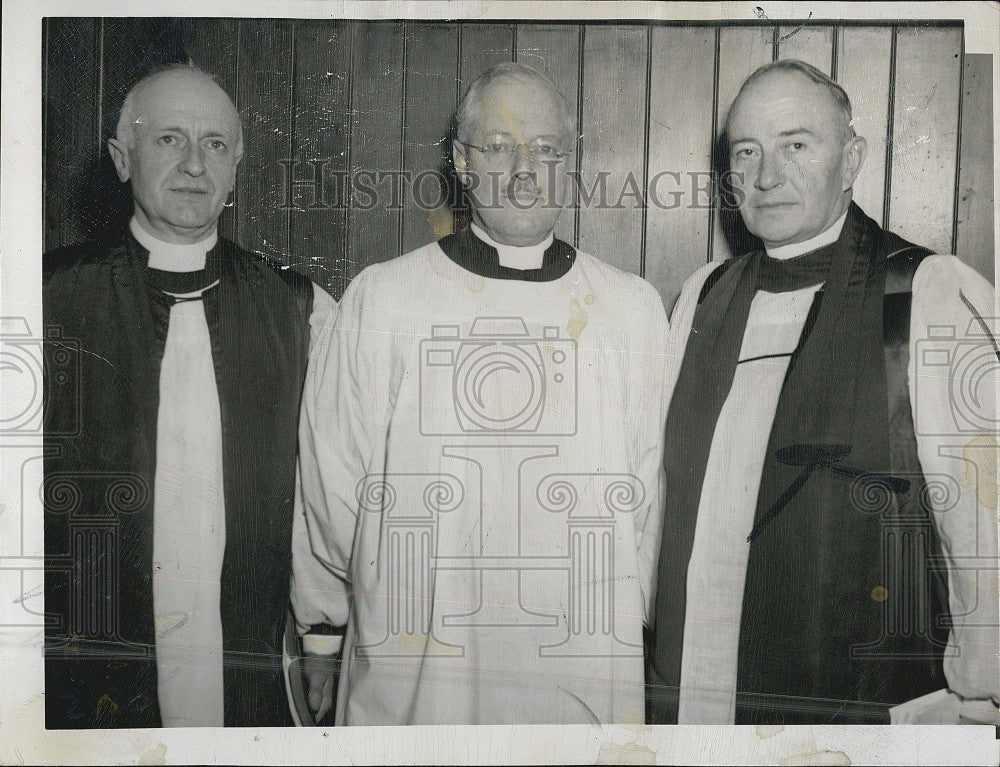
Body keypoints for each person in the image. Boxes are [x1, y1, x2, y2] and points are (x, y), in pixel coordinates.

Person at [290, 62, 669, 725]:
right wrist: (322, 627)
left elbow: (647, 496)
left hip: (579, 664)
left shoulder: (631, 308)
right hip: (417, 671)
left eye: (546, 148)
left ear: (569, 162)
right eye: (499, 147)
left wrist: (623, 621)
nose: (525, 169)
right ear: (462, 163)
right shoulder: (382, 298)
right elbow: (330, 485)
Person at [648, 59, 999, 725]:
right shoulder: (705, 294)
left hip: (857, 691)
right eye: (745, 152)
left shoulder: (929, 293)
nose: (766, 175)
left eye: (796, 145)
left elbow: (985, 522)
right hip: (696, 681)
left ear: (852, 158)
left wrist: (981, 695)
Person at [43, 63, 335, 727]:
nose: (194, 166)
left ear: (237, 166)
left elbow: (324, 492)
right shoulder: (43, 299)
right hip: (79, 661)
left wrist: (324, 633)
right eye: (169, 140)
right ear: (122, 159)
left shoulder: (300, 310)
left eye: (215, 145)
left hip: (243, 649)